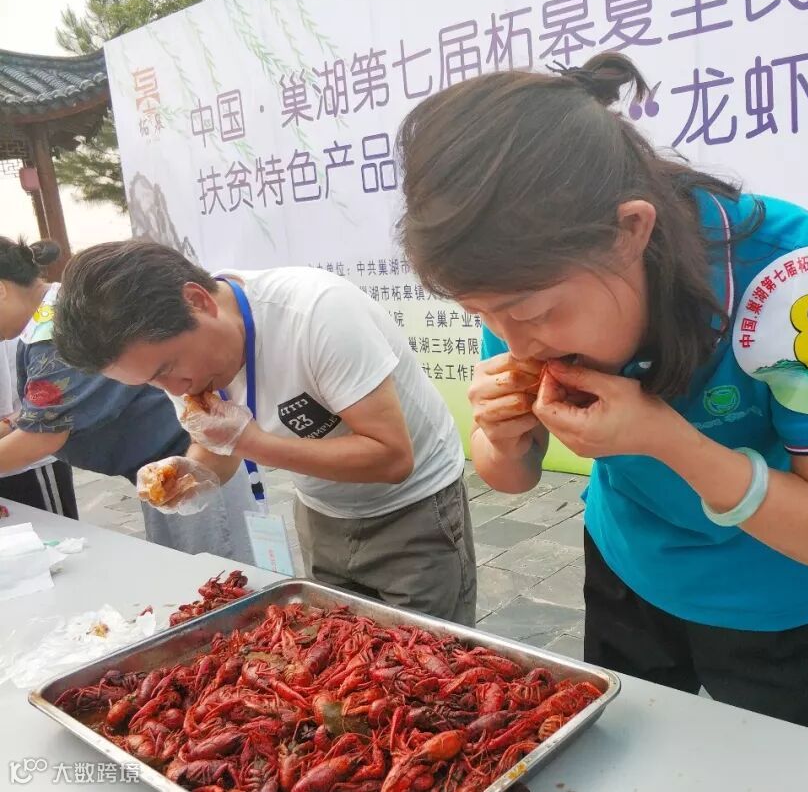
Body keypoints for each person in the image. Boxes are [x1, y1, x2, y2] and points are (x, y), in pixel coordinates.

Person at [396, 53, 808, 736]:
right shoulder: (514, 279)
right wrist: (501, 438)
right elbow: (510, 474)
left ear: (631, 230)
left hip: (778, 593)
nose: (515, 340)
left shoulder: (798, 279)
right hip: (625, 566)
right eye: (484, 314)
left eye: (532, 313)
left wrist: (663, 438)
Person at [52, 242, 476, 626]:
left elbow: (392, 458)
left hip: (415, 510)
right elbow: (217, 448)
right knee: (344, 646)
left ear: (198, 301)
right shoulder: (178, 359)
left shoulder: (316, 314)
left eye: (166, 369)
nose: (174, 390)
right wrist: (189, 473)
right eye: (150, 382)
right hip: (321, 512)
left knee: (429, 657)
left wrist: (251, 443)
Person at [0, 236, 255, 560]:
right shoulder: (51, 319)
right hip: (165, 473)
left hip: (196, 467)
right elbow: (42, 411)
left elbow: (42, 436)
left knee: (219, 573)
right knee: (185, 569)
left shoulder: (56, 329)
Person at [0, 337, 77, 517]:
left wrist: (9, 423)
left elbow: (46, 431)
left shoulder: (41, 337)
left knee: (54, 531)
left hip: (27, 457)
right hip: (24, 440)